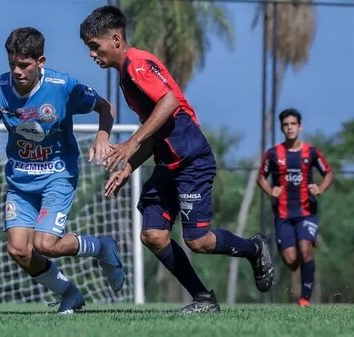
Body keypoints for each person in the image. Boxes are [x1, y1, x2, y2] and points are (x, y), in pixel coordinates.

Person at [80, 5, 274, 313]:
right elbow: (156, 128)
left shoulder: (137, 65)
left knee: (198, 241)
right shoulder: (126, 76)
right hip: (168, 165)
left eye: (94, 46)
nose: (91, 53)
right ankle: (204, 299)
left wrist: (130, 144)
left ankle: (254, 248)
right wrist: (129, 165)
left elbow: (169, 103)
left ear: (115, 39)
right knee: (153, 235)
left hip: (191, 161)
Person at [0, 27, 124, 314]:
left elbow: (106, 107)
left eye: (24, 65)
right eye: (12, 64)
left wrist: (102, 136)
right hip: (19, 182)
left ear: (41, 61)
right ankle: (70, 294)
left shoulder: (62, 86)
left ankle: (102, 247)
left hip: (58, 174)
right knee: (18, 249)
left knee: (45, 243)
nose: (17, 71)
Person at [258, 108, 333, 307]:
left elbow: (329, 174)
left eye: (293, 124)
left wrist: (320, 188)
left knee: (305, 249)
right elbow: (260, 178)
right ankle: (304, 243)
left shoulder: (312, 152)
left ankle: (304, 299)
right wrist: (269, 190)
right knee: (292, 262)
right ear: (282, 128)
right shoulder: (273, 154)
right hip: (283, 214)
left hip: (307, 212)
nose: (290, 128)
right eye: (286, 125)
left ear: (300, 126)